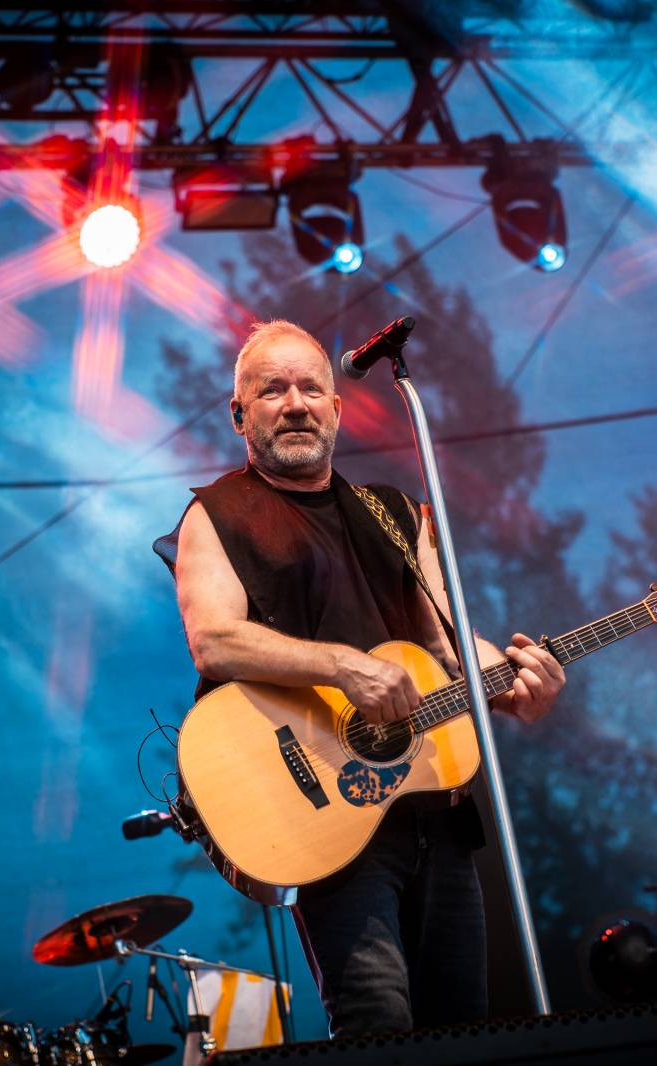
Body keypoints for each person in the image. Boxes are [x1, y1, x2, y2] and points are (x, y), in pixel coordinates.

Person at [154, 319, 565, 1038]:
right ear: (239, 412)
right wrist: (344, 666)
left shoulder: (398, 513)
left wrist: (518, 681)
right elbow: (213, 641)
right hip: (322, 812)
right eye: (272, 389)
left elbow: (448, 643)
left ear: (337, 410)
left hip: (432, 801)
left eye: (311, 387)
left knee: (464, 1027)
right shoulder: (216, 513)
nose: (295, 403)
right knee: (377, 1020)